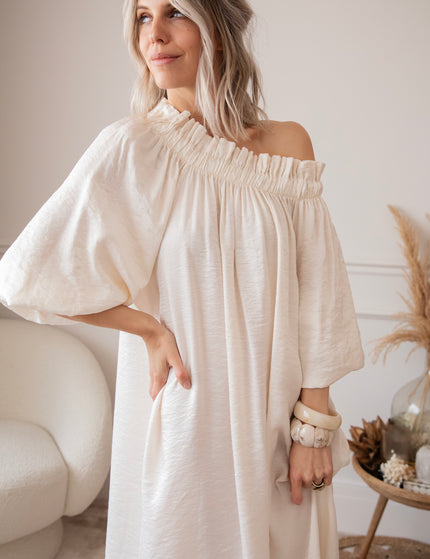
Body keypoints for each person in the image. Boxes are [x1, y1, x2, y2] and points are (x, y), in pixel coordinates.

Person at [0, 0, 364, 557]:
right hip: (189, 420)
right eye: (143, 17)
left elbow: (319, 291)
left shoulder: (289, 147)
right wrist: (145, 328)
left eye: (175, 12)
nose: (155, 34)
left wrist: (313, 425)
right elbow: (24, 276)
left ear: (216, 27)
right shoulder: (136, 146)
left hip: (280, 424)